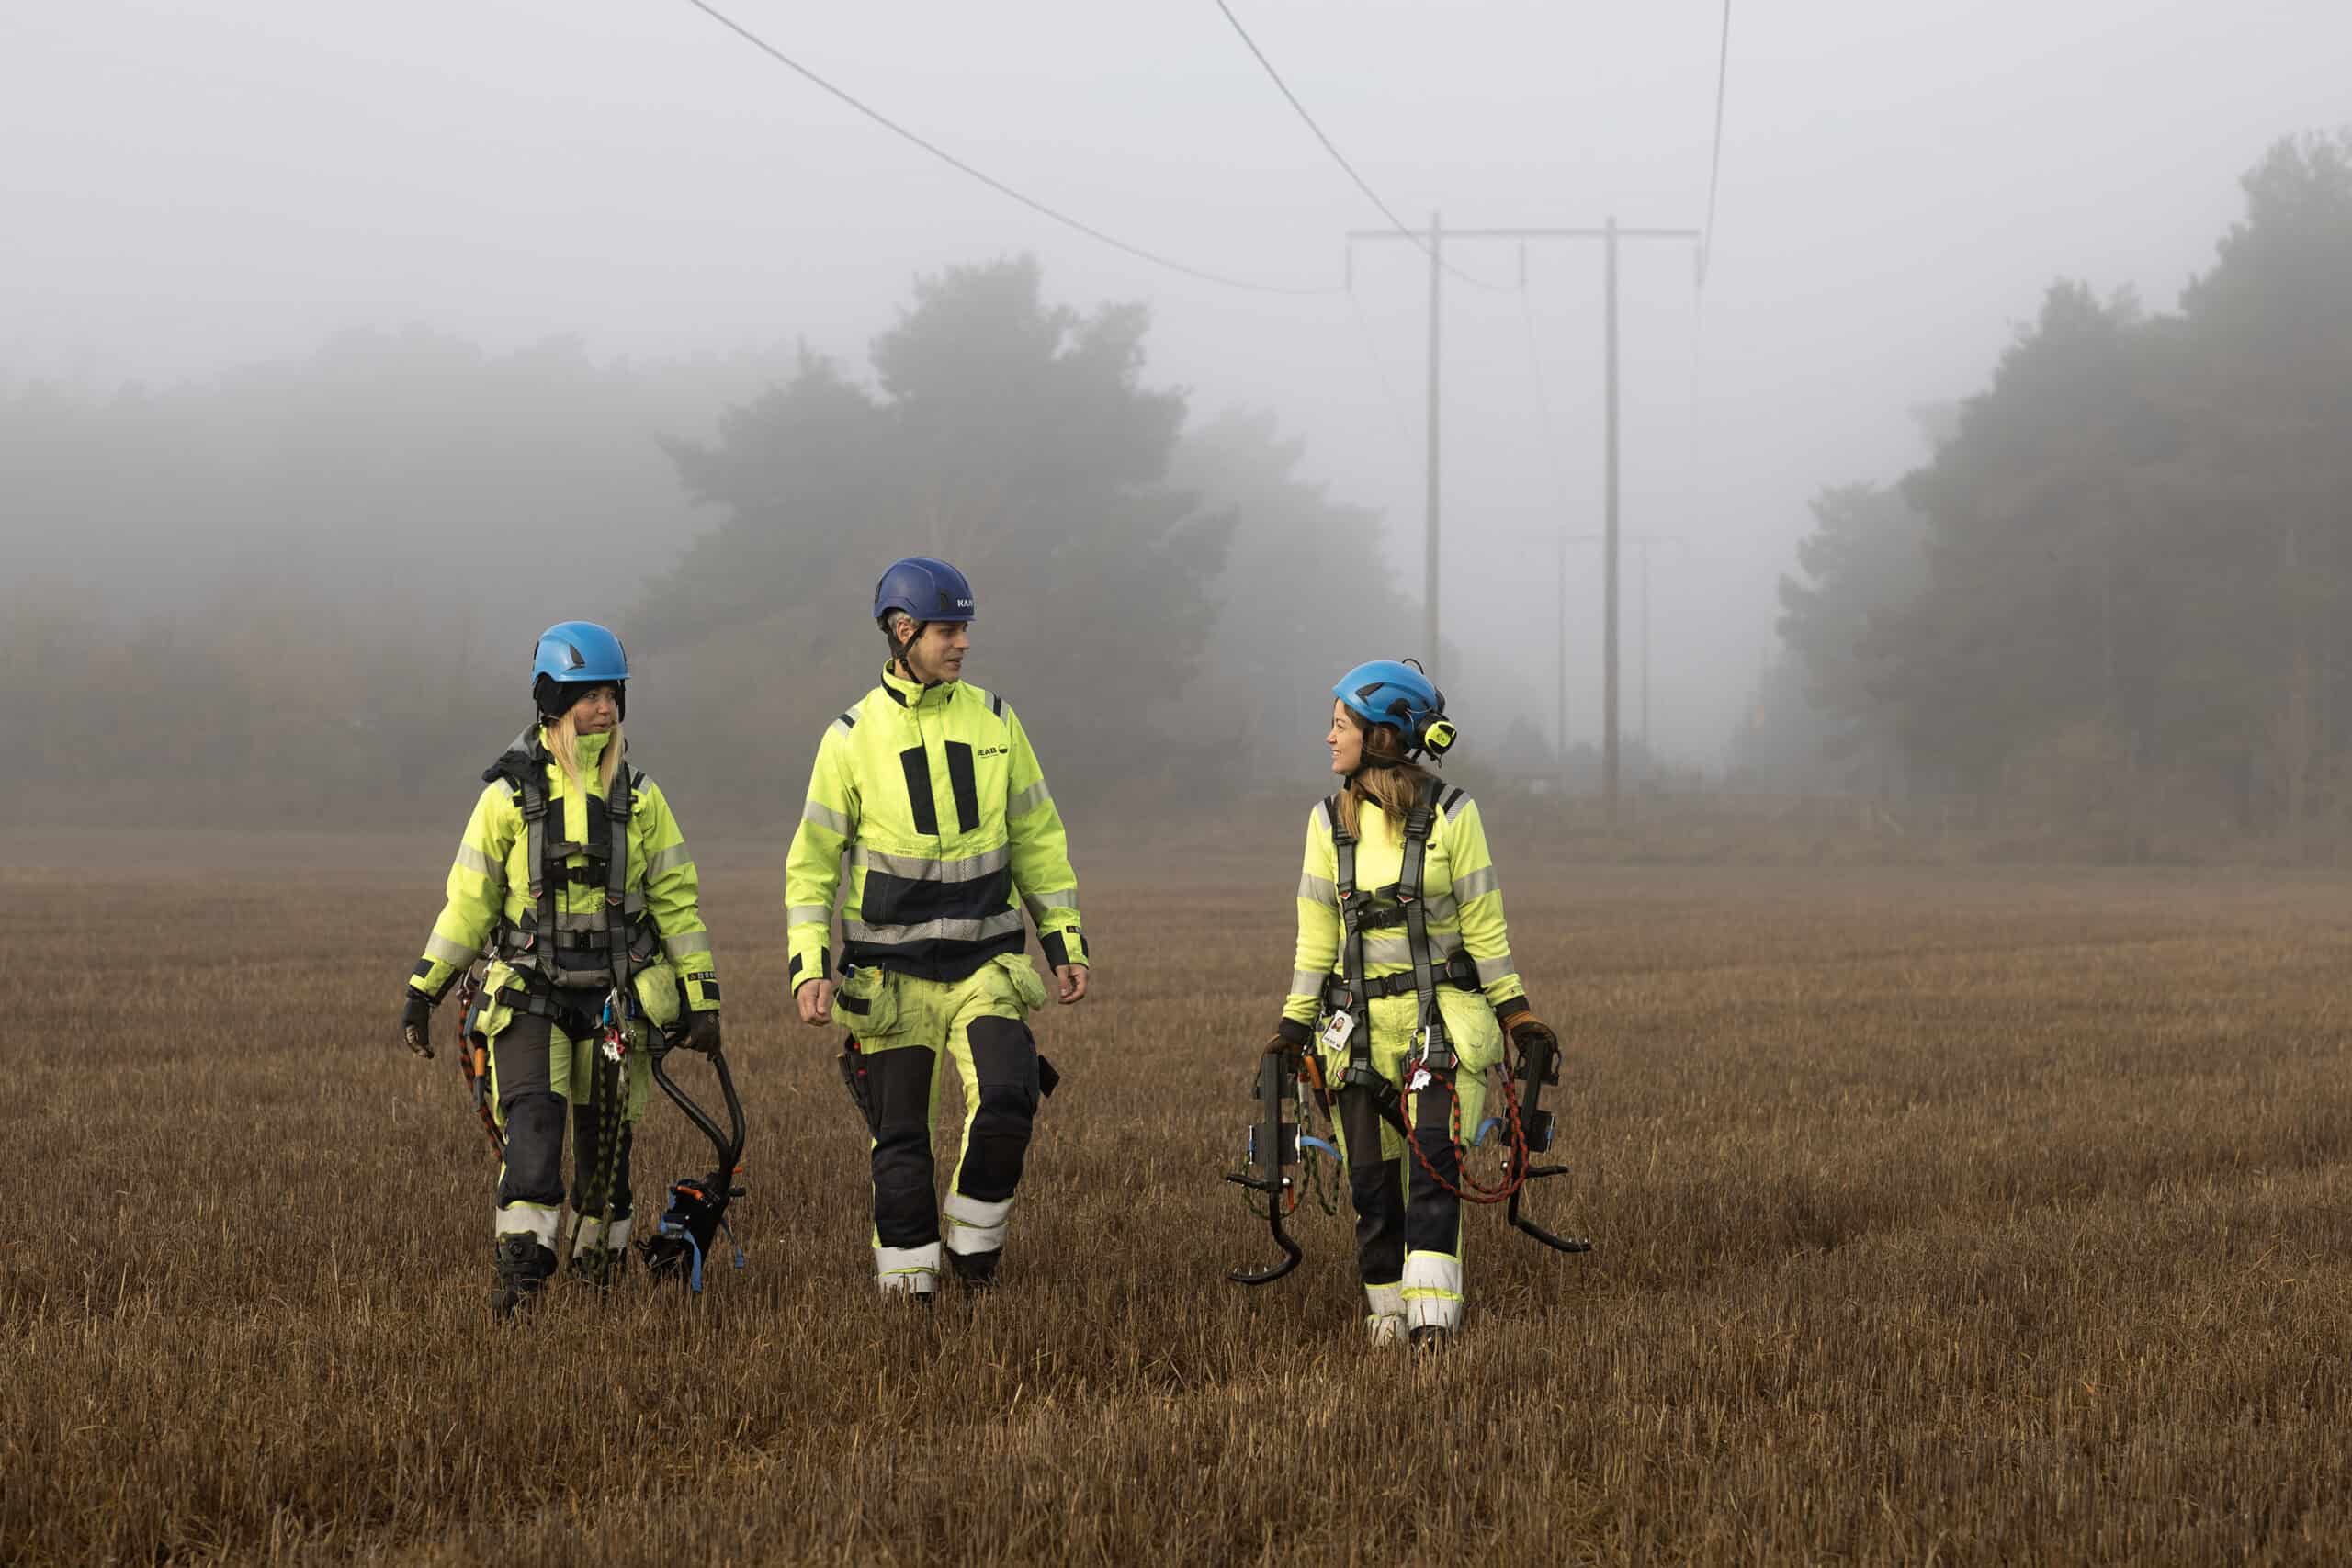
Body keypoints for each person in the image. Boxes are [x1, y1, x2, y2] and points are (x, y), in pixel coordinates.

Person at [400, 621, 721, 1315]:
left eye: (612, 693)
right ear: (551, 701)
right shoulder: (505, 799)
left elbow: (678, 906)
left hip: (618, 1005)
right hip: (529, 996)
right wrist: (422, 989)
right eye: (588, 694)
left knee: (608, 1156)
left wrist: (702, 998)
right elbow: (469, 902)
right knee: (535, 1136)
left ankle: (597, 1281)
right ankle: (520, 1280)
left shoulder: (642, 799)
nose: (604, 707)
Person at [786, 557, 1087, 1298]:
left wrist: (1064, 940)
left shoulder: (997, 721)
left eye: (965, 629)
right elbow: (812, 865)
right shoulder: (849, 737)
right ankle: (907, 1289)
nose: (963, 644)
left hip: (987, 965)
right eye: (949, 629)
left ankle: (975, 1250)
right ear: (903, 630)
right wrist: (808, 964)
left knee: (1011, 1096)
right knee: (901, 1147)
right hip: (889, 980)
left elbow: (1038, 839)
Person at [1268, 660, 1561, 1348]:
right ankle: (1387, 1321)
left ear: (1381, 737)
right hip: (1355, 1039)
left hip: (1443, 1029)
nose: (1328, 737)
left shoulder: (1457, 816)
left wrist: (1516, 1013)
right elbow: (1315, 940)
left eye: (1340, 724)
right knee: (1370, 1186)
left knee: (1434, 1168)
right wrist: (1291, 1027)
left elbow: (1485, 929)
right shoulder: (1323, 822)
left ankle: (1434, 1329)